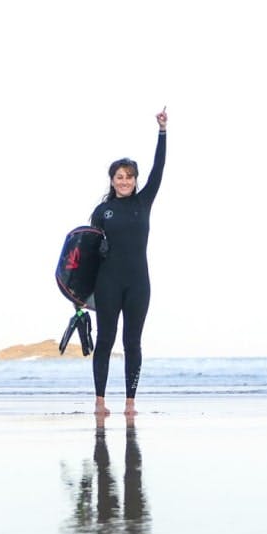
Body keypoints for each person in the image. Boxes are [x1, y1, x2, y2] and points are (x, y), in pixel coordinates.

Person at [89, 108, 167, 417]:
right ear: (112, 180)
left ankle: (130, 403)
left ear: (135, 180)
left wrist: (162, 132)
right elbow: (87, 253)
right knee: (105, 340)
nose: (125, 181)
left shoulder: (143, 202)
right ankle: (99, 401)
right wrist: (80, 295)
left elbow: (159, 168)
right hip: (107, 283)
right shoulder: (101, 211)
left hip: (138, 283)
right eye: (119, 177)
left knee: (132, 342)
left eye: (129, 177)